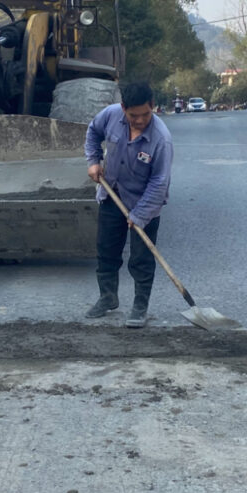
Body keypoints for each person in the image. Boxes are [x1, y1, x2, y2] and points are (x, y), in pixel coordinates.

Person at [84, 82, 173, 328]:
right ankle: (107, 297)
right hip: (112, 194)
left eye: (145, 114)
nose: (140, 120)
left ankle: (140, 305)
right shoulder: (110, 116)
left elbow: (159, 183)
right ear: (123, 108)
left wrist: (140, 214)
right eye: (134, 115)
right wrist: (93, 161)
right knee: (106, 251)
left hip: (146, 202)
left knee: (141, 258)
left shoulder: (161, 139)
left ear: (152, 106)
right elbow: (93, 133)